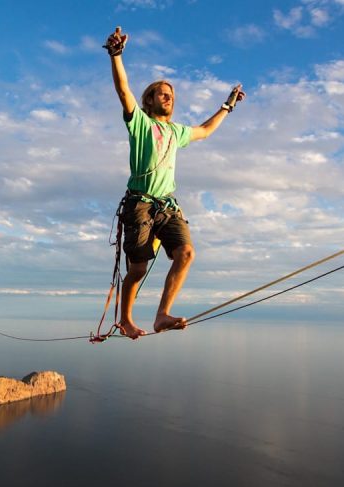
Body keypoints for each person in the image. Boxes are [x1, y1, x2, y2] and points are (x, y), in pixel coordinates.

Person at [105, 26, 245, 339]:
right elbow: (123, 91)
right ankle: (126, 320)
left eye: (171, 95)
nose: (168, 97)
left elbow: (206, 130)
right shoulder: (139, 123)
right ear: (149, 100)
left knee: (186, 253)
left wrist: (228, 105)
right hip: (139, 204)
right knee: (137, 270)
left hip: (167, 205)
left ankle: (161, 314)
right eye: (161, 94)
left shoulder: (177, 132)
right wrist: (116, 57)